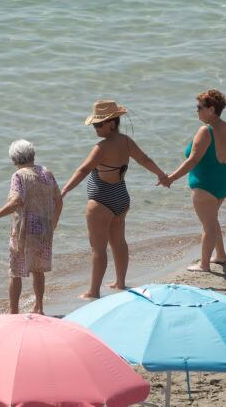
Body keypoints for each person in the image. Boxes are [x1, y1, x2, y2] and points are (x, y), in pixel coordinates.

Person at [61, 100, 168, 296]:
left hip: (101, 201)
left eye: (98, 124)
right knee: (119, 242)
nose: (95, 128)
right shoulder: (127, 142)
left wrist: (65, 190)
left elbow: (84, 170)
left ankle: (93, 291)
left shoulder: (101, 147)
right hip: (121, 197)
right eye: (94, 124)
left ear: (111, 123)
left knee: (98, 248)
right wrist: (161, 174)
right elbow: (144, 159)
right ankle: (120, 282)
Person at [162, 90, 226, 272]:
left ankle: (204, 264)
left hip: (207, 184)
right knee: (212, 218)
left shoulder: (205, 131)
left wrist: (171, 178)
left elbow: (193, 160)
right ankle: (220, 255)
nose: (196, 111)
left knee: (208, 225)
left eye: (199, 107)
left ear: (211, 109)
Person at [0, 139, 63, 315]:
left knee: (15, 271)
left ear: (14, 159)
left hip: (24, 230)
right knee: (38, 269)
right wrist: (53, 222)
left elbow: (16, 201)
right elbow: (58, 199)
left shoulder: (18, 176)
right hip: (44, 227)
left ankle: (13, 310)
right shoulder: (46, 172)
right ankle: (39, 307)